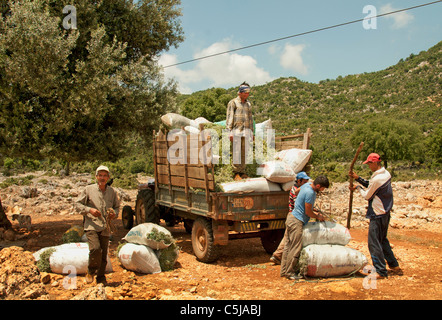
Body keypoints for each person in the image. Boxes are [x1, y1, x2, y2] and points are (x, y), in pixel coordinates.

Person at [349, 153, 402, 279]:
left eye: (369, 164)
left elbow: (367, 195)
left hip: (377, 213)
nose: (368, 166)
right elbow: (371, 185)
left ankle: (380, 270)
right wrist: (358, 179)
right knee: (382, 239)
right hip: (385, 212)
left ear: (374, 163)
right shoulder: (386, 174)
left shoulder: (377, 179)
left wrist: (358, 188)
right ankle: (394, 265)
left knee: (373, 243)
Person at [76, 165, 120, 284]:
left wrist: (114, 214)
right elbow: (78, 205)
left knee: (104, 253)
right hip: (91, 225)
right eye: (100, 175)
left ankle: (101, 277)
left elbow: (116, 208)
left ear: (108, 177)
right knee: (95, 248)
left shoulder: (112, 192)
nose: (102, 178)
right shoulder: (88, 189)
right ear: (96, 177)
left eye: (105, 176)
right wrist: (90, 210)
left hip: (105, 226)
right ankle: (91, 271)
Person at [280, 175, 330, 280]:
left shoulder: (307, 184)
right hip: (297, 221)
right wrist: (318, 216)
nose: (322, 190)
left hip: (291, 217)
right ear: (318, 185)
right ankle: (290, 273)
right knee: (295, 247)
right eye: (322, 188)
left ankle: (284, 271)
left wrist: (302, 203)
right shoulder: (311, 193)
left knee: (288, 246)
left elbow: (297, 192)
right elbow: (308, 212)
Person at [270, 172, 311, 264]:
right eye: (305, 181)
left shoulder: (297, 189)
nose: (306, 183)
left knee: (287, 237)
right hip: (295, 217)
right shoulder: (295, 190)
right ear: (299, 181)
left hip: (292, 217)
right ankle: (286, 260)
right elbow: (299, 205)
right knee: (293, 239)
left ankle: (277, 255)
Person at [226, 82, 254, 181]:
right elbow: (230, 117)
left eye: (248, 93)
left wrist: (251, 132)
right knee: (236, 152)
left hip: (246, 132)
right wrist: (229, 131)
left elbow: (250, 119)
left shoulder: (248, 104)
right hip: (236, 131)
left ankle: (242, 172)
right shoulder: (233, 103)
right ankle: (236, 173)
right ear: (240, 92)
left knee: (244, 153)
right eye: (245, 93)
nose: (247, 94)